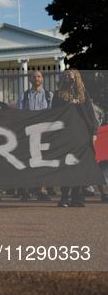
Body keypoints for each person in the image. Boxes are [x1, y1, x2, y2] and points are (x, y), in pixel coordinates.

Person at [51, 69, 98, 208]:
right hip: (64, 135)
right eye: (64, 76)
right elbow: (53, 114)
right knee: (64, 166)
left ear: (76, 78)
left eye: (69, 76)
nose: (66, 78)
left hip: (80, 135)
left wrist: (94, 133)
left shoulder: (84, 94)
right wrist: (68, 107)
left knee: (79, 166)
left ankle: (77, 195)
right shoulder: (58, 95)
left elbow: (91, 116)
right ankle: (65, 195)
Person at [14, 70, 53, 201]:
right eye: (33, 76)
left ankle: (41, 191)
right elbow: (18, 114)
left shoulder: (49, 95)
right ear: (30, 79)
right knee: (26, 162)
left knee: (43, 163)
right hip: (28, 133)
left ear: (42, 79)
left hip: (43, 133)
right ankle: (26, 192)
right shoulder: (23, 96)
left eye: (38, 76)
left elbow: (54, 114)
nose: (36, 78)